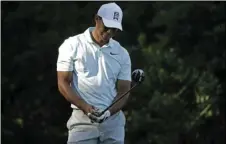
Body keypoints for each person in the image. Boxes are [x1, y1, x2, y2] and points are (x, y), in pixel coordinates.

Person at [56, 2, 131, 144]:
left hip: (113, 122)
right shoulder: (72, 44)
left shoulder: (122, 53)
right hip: (82, 120)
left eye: (114, 30)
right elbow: (63, 82)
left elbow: (124, 91)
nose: (109, 33)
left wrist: (109, 112)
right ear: (97, 19)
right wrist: (85, 107)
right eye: (107, 27)